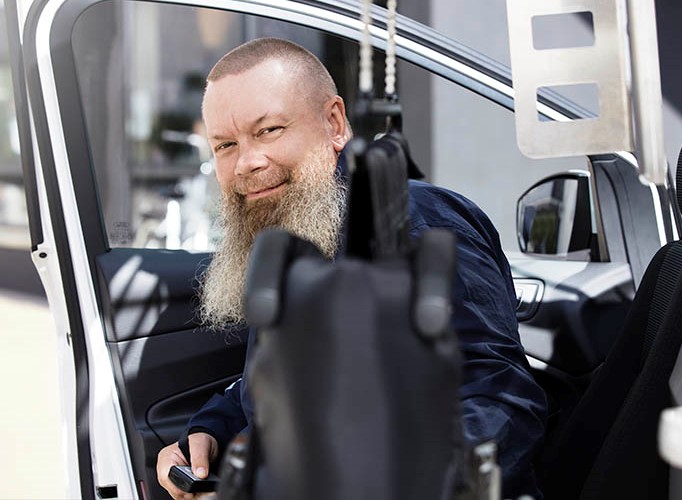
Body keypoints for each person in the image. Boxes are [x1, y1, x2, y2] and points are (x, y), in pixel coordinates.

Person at [156, 38, 547, 499]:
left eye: (269, 131)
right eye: (224, 144)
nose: (247, 162)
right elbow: (286, 379)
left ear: (334, 123)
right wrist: (211, 432)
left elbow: (498, 399)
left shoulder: (409, 222)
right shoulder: (295, 233)